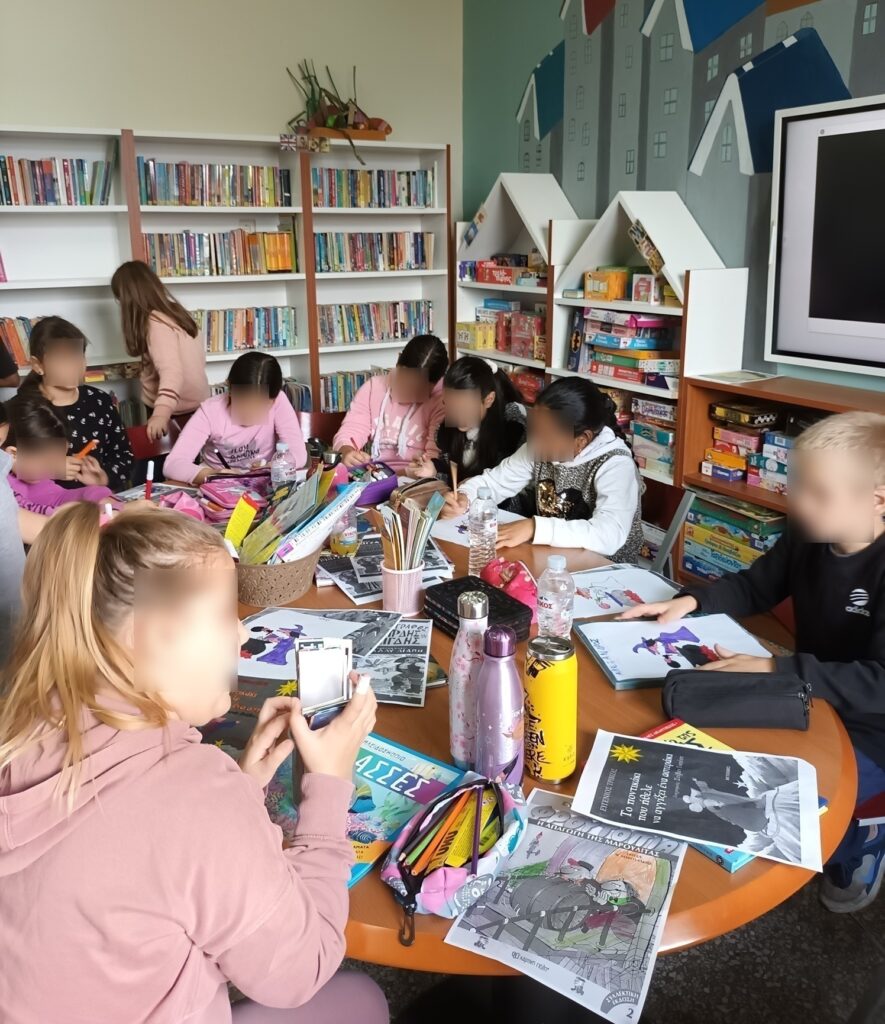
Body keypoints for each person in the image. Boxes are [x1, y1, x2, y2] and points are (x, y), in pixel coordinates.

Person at [0, 503, 388, 1024]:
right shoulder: (196, 803)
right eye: (226, 615)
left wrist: (240, 788)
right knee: (364, 999)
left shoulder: (22, 724)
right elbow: (302, 969)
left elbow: (128, 846)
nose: (241, 635)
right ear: (157, 634)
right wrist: (330, 783)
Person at [622, 411, 885, 913]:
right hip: (807, 694)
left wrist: (771, 670)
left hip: (873, 727)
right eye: (796, 485)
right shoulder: (807, 533)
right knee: (729, 770)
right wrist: (692, 602)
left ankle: (863, 841)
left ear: (877, 500)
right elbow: (755, 586)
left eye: (817, 492)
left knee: (806, 806)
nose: (796, 502)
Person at [443, 376, 643, 560]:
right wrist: (465, 497)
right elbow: (496, 482)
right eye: (534, 430)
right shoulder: (538, 446)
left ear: (582, 440)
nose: (534, 442)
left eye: (545, 436)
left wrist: (534, 527)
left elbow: (608, 534)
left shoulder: (615, 464)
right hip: (553, 557)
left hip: (604, 568)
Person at [13, 315, 133, 490]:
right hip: (47, 505)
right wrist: (49, 469)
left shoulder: (99, 401)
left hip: (98, 499)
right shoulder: (21, 409)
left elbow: (124, 456)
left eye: (77, 356)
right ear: (38, 365)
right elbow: (8, 468)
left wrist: (104, 478)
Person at [164, 351, 307, 485]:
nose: (251, 413)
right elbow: (173, 464)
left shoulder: (279, 401)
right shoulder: (211, 411)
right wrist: (215, 475)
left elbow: (298, 453)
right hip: (219, 484)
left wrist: (271, 467)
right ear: (230, 389)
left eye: (261, 406)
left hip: (264, 482)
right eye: (244, 402)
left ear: (273, 400)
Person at [111, 260, 210, 441]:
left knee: (166, 456)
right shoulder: (178, 313)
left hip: (171, 409)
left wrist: (161, 413)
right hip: (198, 404)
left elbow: (172, 372)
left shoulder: (156, 323)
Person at [333, 334, 447, 472]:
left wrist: (401, 476)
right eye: (403, 380)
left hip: (416, 478)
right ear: (398, 362)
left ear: (434, 384)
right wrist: (346, 451)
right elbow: (350, 430)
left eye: (417, 390)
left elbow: (435, 459)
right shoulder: (373, 388)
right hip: (378, 473)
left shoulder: (442, 401)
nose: (407, 391)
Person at [406, 355, 526, 483]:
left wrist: (471, 487)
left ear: (488, 400)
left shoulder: (511, 431)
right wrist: (433, 470)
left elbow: (510, 487)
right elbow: (450, 474)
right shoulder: (446, 431)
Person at [4, 398, 112, 514]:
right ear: (13, 454)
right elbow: (29, 510)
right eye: (47, 463)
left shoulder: (34, 476)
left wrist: (97, 492)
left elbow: (57, 496)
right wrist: (81, 512)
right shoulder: (4, 485)